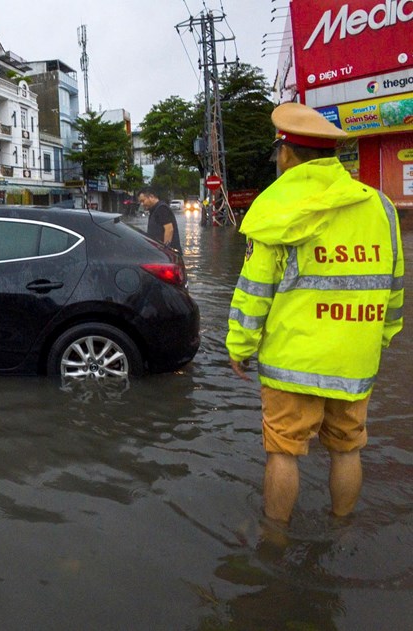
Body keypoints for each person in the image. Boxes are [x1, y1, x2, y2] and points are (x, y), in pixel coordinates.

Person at [226, 102, 404, 524]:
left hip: (292, 361)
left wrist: (240, 346)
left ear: (286, 153)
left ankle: (275, 545)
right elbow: (393, 288)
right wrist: (379, 339)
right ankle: (342, 532)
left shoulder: (272, 208)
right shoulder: (381, 208)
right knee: (348, 449)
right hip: (354, 358)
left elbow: (255, 291)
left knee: (283, 453)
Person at [138, 187, 183, 255]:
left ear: (151, 197)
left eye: (143, 201)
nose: (142, 204)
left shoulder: (161, 208)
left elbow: (169, 229)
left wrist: (165, 252)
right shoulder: (154, 209)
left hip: (168, 256)